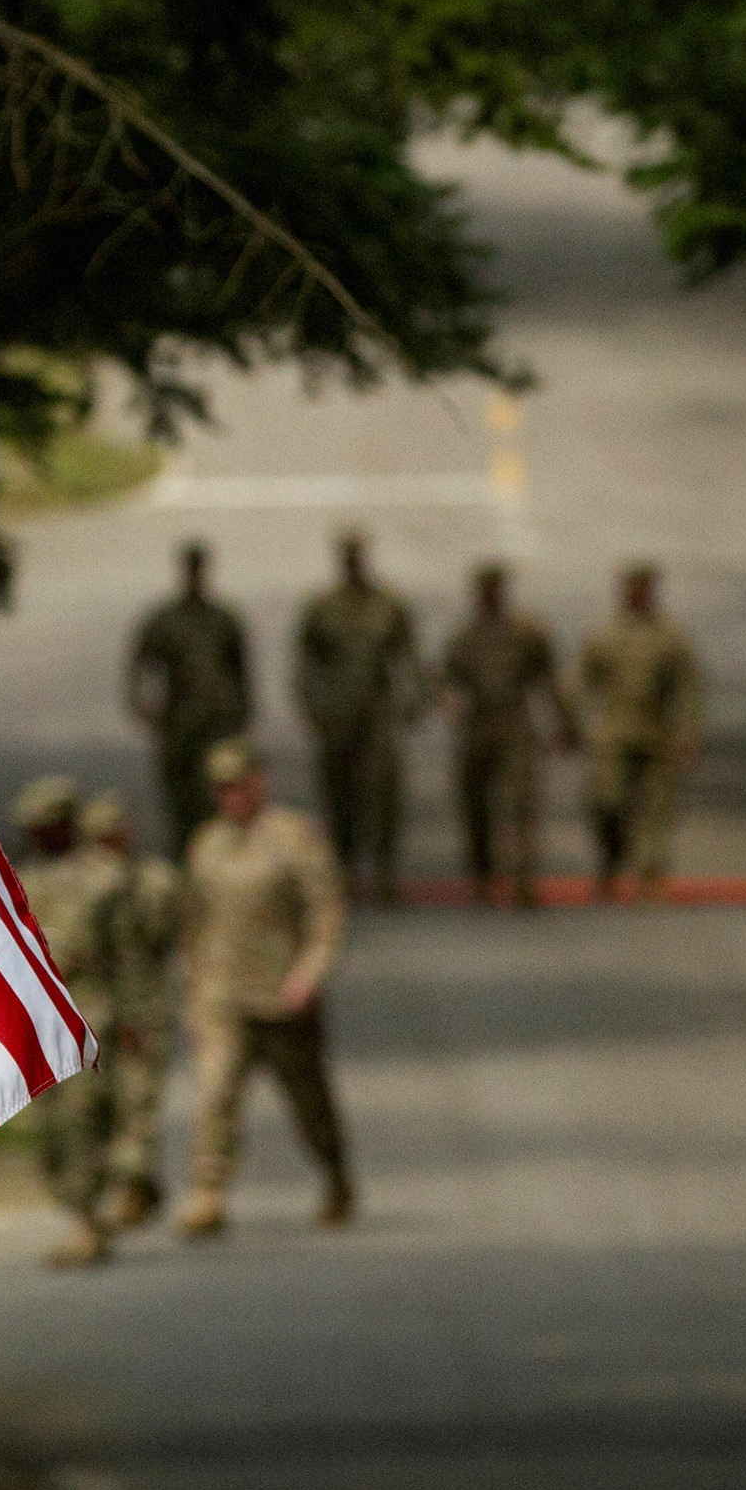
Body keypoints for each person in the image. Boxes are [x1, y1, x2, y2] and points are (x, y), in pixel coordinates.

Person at [177, 739, 355, 1234]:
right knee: (214, 1095)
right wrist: (193, 993)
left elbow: (327, 916)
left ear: (260, 782)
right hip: (223, 995)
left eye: (240, 784)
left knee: (309, 1101)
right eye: (222, 788)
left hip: (282, 997)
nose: (233, 796)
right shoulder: (206, 844)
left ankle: (335, 1173)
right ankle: (208, 1195)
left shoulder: (294, 838)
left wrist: (310, 973)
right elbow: (193, 925)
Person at [12, 775, 129, 1266]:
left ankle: (89, 1218)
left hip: (91, 1014)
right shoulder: (27, 880)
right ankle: (81, 1209)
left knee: (84, 1119)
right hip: (43, 1023)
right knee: (53, 1129)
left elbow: (115, 953)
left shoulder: (103, 878)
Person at [295, 527, 425, 902]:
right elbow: (307, 663)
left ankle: (385, 870)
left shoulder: (386, 606)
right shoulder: (322, 608)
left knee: (384, 792)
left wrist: (413, 702)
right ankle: (343, 868)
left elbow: (408, 657)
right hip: (337, 715)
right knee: (338, 794)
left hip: (376, 715)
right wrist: (312, 706)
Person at [441, 562, 577, 907]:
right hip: (478, 724)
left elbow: (548, 679)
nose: (489, 596)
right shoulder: (465, 636)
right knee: (475, 805)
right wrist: (449, 702)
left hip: (515, 723)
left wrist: (565, 724)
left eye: (494, 588)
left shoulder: (526, 633)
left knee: (521, 802)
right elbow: (445, 678)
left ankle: (522, 879)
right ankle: (482, 877)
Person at [79, 791, 180, 1230]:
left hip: (144, 1006)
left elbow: (165, 933)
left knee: (138, 1100)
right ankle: (131, 1181)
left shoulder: (152, 880)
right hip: (99, 1008)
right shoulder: (79, 883)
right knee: (101, 1102)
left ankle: (134, 1186)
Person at [580, 563, 703, 899]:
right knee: (608, 802)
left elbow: (690, 688)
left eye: (645, 587)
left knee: (657, 805)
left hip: (657, 732)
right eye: (635, 587)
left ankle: (650, 871)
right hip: (614, 733)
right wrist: (572, 725)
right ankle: (611, 858)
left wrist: (689, 733)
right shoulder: (605, 635)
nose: (640, 594)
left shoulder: (670, 637)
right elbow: (580, 682)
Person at [128, 542, 254, 856]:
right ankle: (184, 859)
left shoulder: (222, 619)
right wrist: (142, 704)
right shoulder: (166, 620)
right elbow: (140, 663)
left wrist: (241, 713)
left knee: (220, 794)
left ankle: (218, 861)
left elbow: (240, 670)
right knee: (180, 801)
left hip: (217, 723)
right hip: (179, 723)